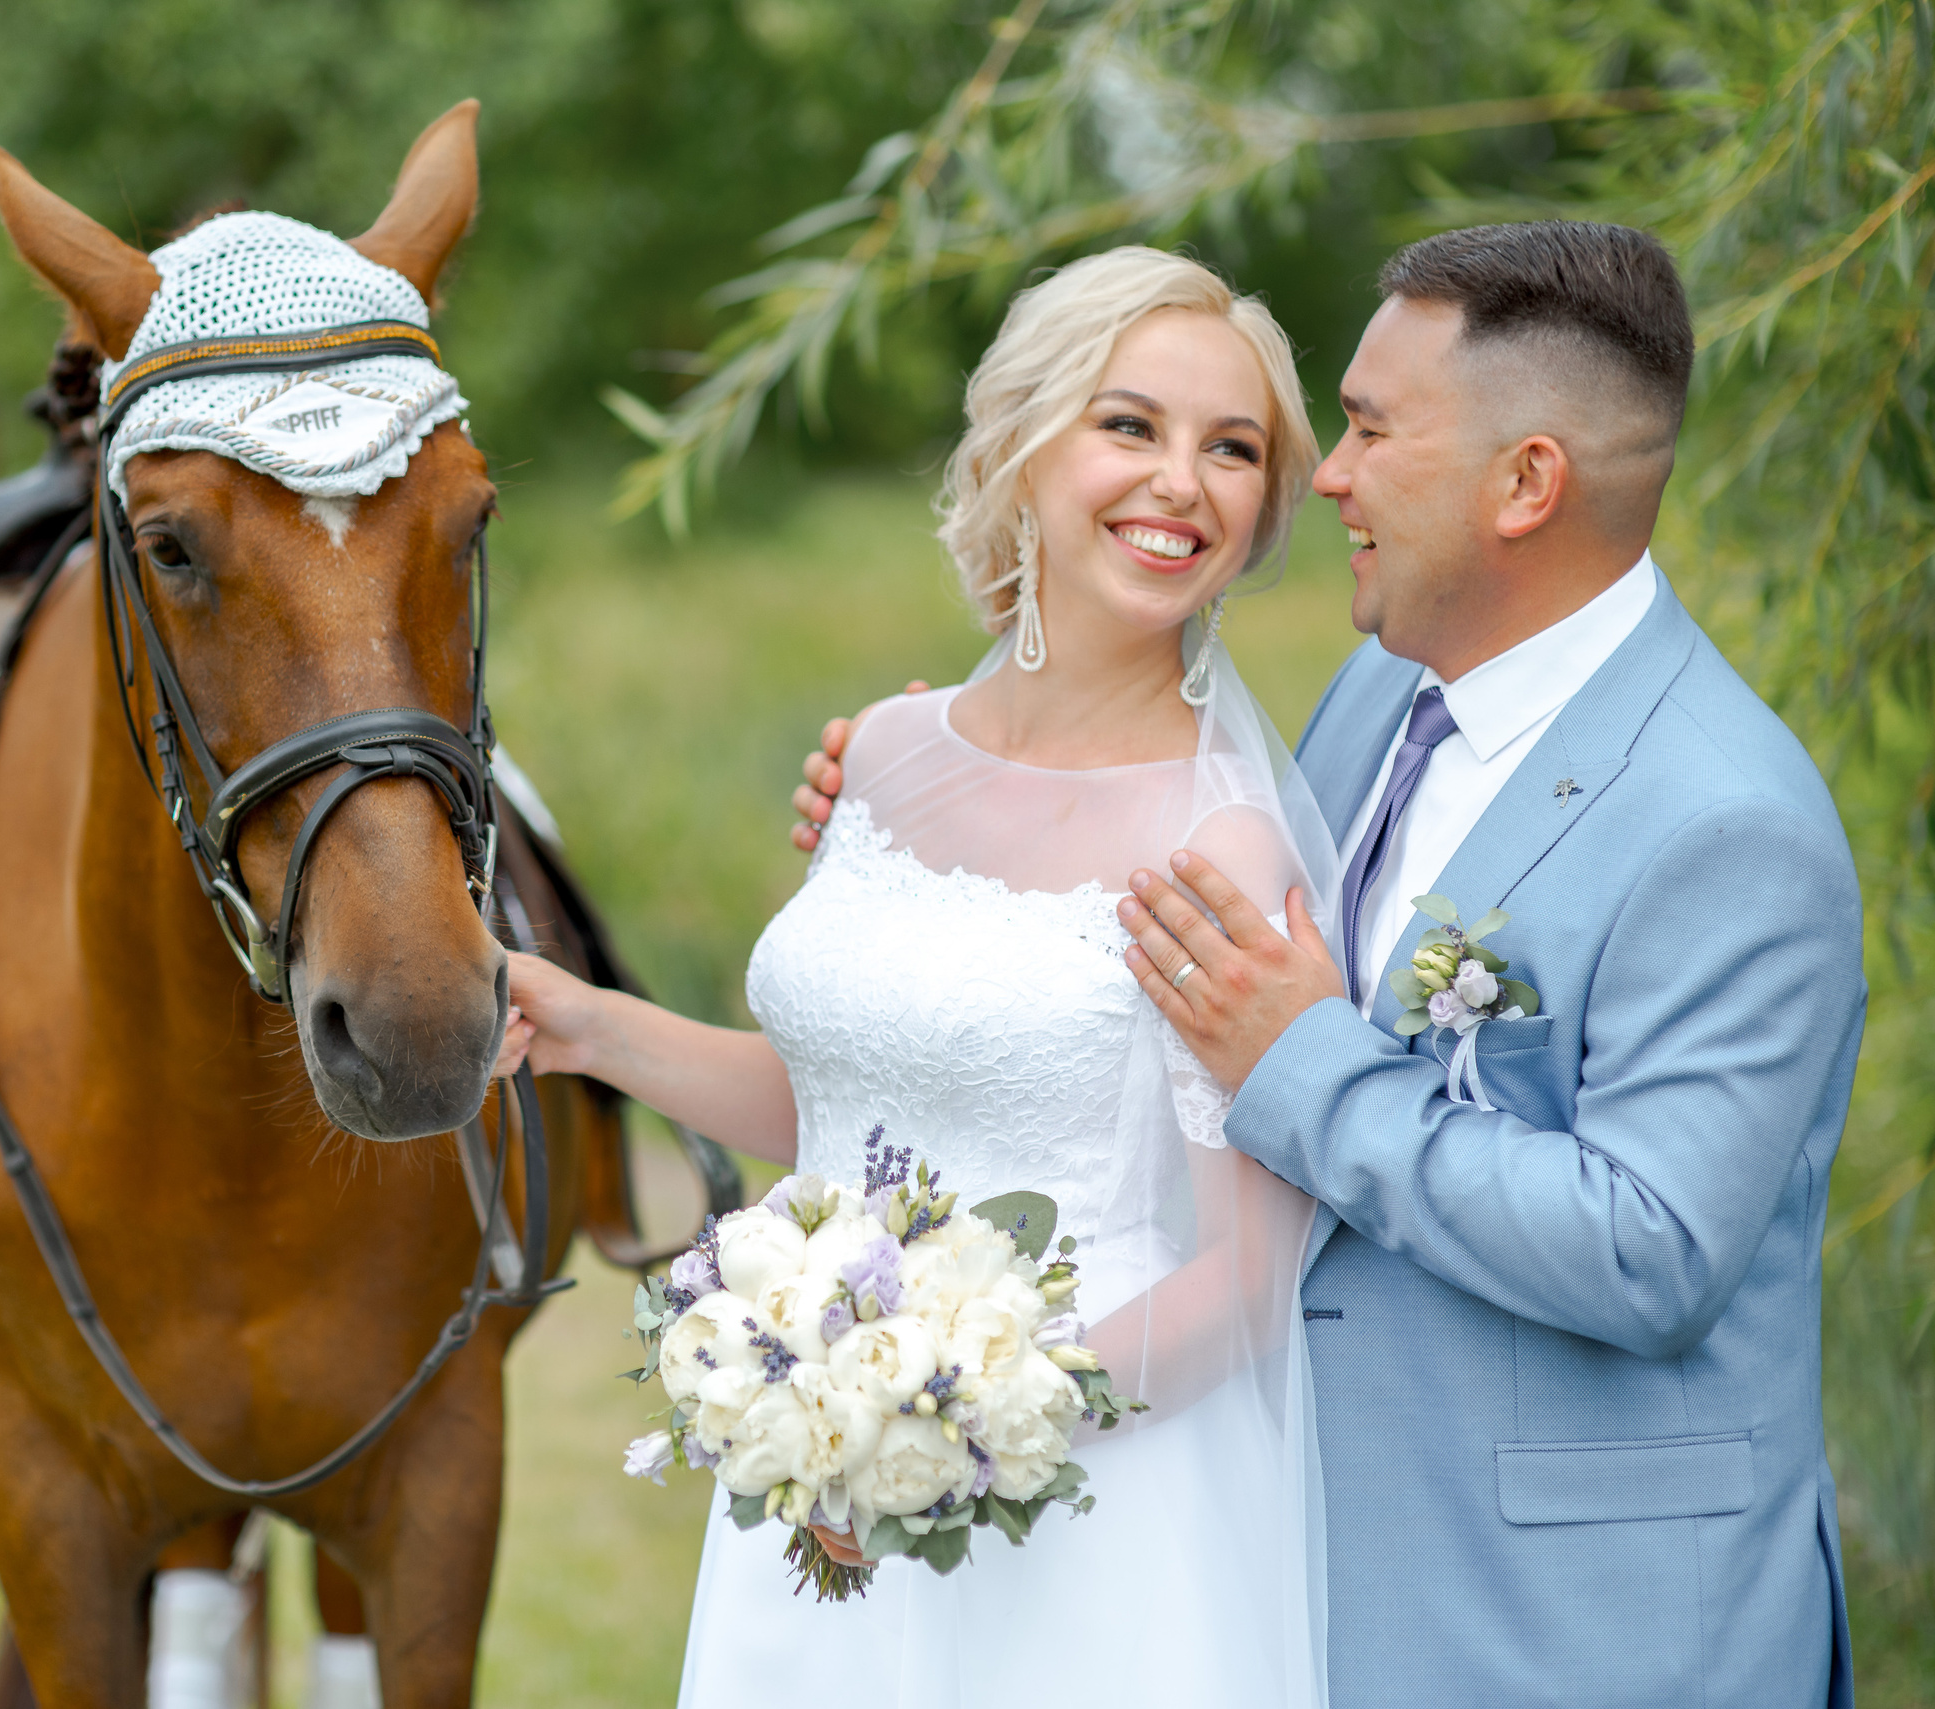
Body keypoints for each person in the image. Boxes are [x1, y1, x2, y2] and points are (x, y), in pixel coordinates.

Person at [794, 223, 1862, 1709]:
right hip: (1299, 1558)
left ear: (1527, 482)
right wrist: (941, 810)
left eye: (1368, 428)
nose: (1329, 475)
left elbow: (1651, 1247)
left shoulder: (1726, 820)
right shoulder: (1384, 691)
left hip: (1581, 1627)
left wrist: (1305, 1065)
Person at [498, 247, 1336, 1706]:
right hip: (823, 1474)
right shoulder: (885, 754)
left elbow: (1249, 1272)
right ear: (1021, 445)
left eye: (1234, 448)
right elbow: (844, 1098)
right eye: (1128, 425)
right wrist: (594, 1028)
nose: (1182, 482)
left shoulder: (1220, 845)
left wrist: (977, 1417)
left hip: (1086, 1511)